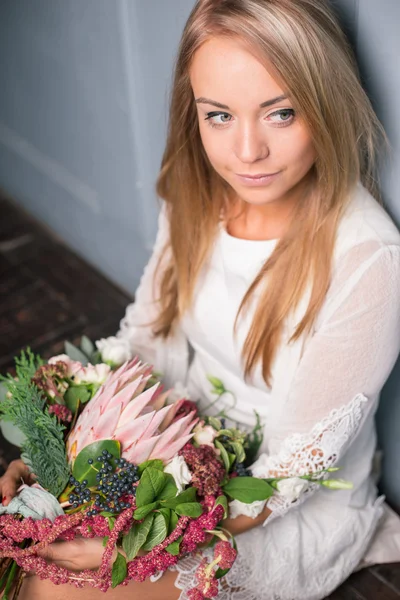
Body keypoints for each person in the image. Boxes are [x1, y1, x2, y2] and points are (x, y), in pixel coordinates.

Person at [2, 0, 400, 598]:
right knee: (27, 548)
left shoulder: (368, 260)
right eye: (219, 115)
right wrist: (61, 453)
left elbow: (291, 476)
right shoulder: (196, 191)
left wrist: (130, 537)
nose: (247, 152)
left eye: (281, 113)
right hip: (167, 452)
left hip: (272, 510)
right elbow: (148, 334)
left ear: (328, 103)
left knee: (60, 589)